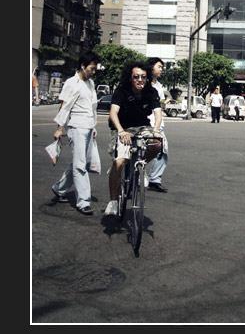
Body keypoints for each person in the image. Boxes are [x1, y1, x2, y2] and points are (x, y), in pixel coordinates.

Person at [104, 61, 163, 216]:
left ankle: (140, 167)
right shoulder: (121, 90)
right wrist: (121, 131)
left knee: (157, 144)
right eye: (136, 76)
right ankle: (113, 202)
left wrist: (156, 131)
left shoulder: (151, 91)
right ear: (130, 78)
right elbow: (113, 113)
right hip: (122, 127)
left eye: (143, 77)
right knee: (119, 162)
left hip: (142, 127)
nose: (140, 80)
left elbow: (158, 114)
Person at [51, 50, 100, 215]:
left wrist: (93, 126)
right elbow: (64, 106)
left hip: (87, 126)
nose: (93, 72)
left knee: (80, 163)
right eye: (91, 68)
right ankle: (83, 202)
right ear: (82, 66)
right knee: (80, 165)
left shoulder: (90, 83)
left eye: (95, 69)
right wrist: (59, 128)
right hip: (76, 127)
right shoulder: (71, 83)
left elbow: (91, 107)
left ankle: (59, 188)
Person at [147, 57, 169, 192]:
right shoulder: (144, 83)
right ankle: (136, 174)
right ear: (151, 68)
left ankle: (154, 179)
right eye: (159, 66)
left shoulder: (159, 85)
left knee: (163, 150)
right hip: (146, 123)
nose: (161, 69)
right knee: (144, 152)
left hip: (158, 124)